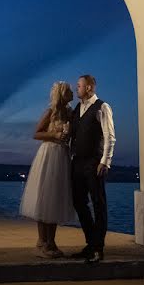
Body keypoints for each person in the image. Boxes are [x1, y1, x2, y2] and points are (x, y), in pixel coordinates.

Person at [19, 81, 77, 258]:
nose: (72, 93)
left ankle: (49, 241)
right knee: (45, 197)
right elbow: (37, 133)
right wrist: (55, 135)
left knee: (56, 199)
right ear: (62, 94)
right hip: (49, 155)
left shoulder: (70, 113)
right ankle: (45, 242)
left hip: (63, 156)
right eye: (69, 91)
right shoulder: (51, 112)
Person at [69, 74, 115, 263]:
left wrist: (105, 161)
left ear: (89, 88)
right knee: (79, 202)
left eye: (79, 85)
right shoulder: (77, 108)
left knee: (98, 204)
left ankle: (98, 248)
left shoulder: (102, 107)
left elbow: (110, 136)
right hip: (77, 163)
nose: (76, 89)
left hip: (94, 162)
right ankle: (90, 243)